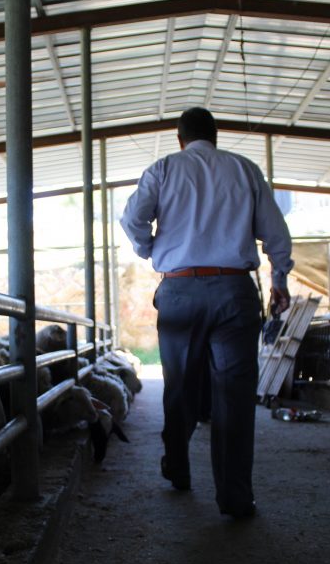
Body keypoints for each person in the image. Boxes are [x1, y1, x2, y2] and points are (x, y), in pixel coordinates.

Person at [119, 107, 293, 519]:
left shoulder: (163, 169)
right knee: (233, 396)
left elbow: (132, 219)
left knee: (180, 387)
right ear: (215, 137)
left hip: (180, 290)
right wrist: (279, 281)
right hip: (235, 291)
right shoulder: (245, 170)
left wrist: (150, 249)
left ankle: (178, 469)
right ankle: (234, 497)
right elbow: (276, 235)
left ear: (180, 139)